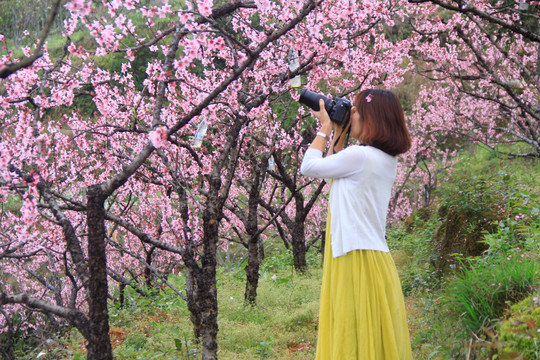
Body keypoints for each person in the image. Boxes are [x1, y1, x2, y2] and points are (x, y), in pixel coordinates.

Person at [300, 89, 413, 360]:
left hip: (354, 257)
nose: (354, 116)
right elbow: (335, 174)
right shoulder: (383, 159)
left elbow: (310, 167)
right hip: (373, 257)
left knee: (350, 332)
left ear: (373, 118)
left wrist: (326, 128)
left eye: (358, 112)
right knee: (366, 334)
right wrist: (340, 133)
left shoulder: (360, 157)